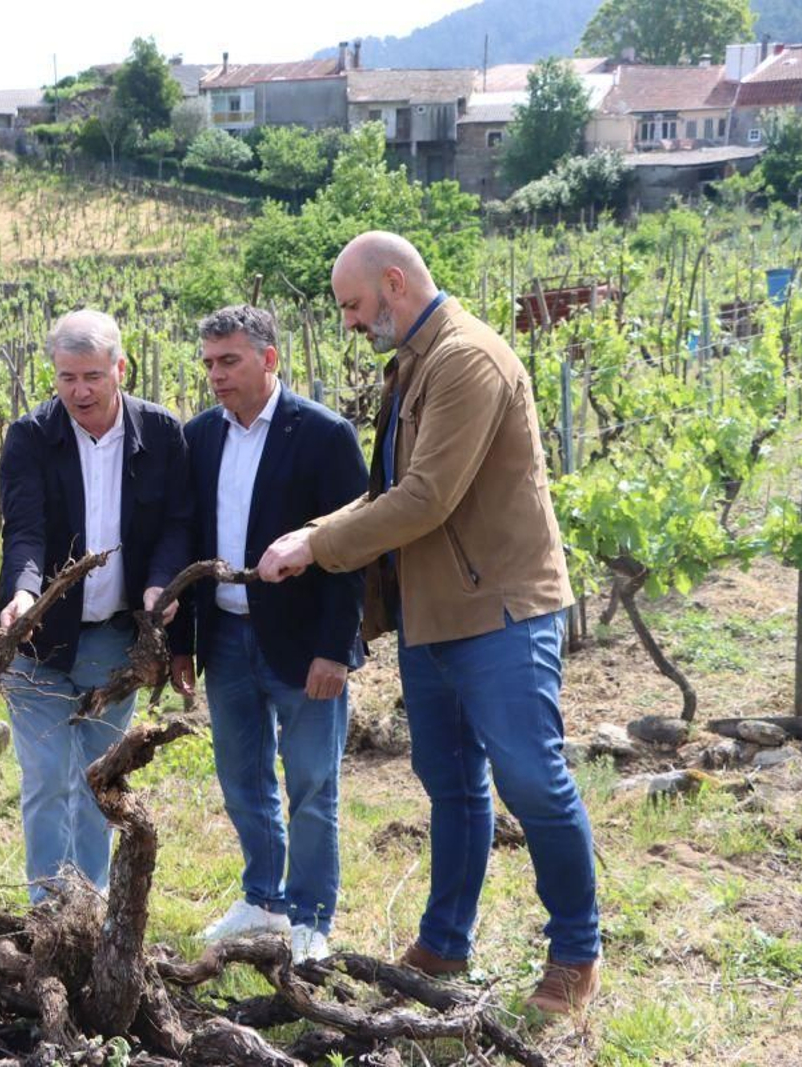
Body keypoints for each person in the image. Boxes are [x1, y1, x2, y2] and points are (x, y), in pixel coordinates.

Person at [257, 231, 601, 1016]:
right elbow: (391, 488)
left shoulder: (465, 361)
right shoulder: (415, 364)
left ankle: (576, 951)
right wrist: (311, 533)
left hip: (500, 609)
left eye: (352, 304)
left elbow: (427, 498)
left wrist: (318, 545)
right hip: (435, 611)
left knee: (530, 777)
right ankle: (445, 941)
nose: (348, 321)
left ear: (393, 283)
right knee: (451, 783)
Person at [170, 305, 366, 960]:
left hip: (304, 639)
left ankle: (311, 916)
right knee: (241, 776)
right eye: (209, 363)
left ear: (269, 358)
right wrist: (181, 645)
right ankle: (263, 898)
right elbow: (187, 539)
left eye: (230, 361)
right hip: (225, 633)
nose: (216, 376)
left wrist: (335, 648)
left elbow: (353, 549)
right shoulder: (197, 437)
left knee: (311, 781)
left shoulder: (324, 435)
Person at [0, 308, 192, 903]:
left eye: (91, 377)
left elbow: (176, 527)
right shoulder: (31, 436)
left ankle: (92, 904)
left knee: (98, 777)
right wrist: (25, 595)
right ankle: (47, 909)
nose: (78, 391)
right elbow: (24, 531)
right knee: (47, 775)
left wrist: (160, 585)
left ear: (119, 369)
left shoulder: (161, 434)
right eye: (65, 378)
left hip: (113, 641)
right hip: (38, 641)